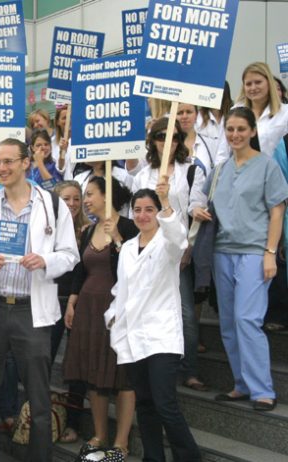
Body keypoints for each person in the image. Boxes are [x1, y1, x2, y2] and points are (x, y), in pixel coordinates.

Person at [0, 138, 79, 461]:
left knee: (39, 397)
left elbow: (70, 255)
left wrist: (45, 261)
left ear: (26, 162)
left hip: (32, 312)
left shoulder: (52, 205)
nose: (2, 168)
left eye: (8, 161)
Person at [195, 107, 288, 411]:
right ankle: (242, 384)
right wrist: (196, 209)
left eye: (241, 129)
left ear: (252, 131)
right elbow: (202, 199)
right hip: (223, 252)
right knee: (228, 323)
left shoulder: (266, 166)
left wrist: (270, 252)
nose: (235, 135)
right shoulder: (220, 169)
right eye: (230, 129)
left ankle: (263, 389)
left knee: (247, 319)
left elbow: (277, 210)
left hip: (254, 252)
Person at [106, 184, 202, 462]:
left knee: (165, 404)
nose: (143, 215)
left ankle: (189, 457)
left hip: (162, 337)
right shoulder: (127, 249)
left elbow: (179, 237)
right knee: (145, 404)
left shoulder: (167, 243)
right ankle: (153, 457)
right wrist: (112, 317)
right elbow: (120, 290)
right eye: (137, 210)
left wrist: (165, 201)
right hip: (133, 335)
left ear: (159, 213)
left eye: (150, 209)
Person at [63, 176, 137, 458]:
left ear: (107, 196)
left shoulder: (129, 227)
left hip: (118, 306)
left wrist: (117, 239)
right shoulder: (88, 230)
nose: (87, 199)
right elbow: (80, 270)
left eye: (91, 194)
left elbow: (133, 268)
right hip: (88, 308)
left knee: (121, 375)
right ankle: (99, 433)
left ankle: (121, 440)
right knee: (93, 371)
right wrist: (72, 301)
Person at [132, 118, 207, 392]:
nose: (168, 141)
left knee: (185, 313)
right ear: (153, 140)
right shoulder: (143, 174)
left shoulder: (191, 171)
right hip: (151, 254)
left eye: (174, 136)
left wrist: (187, 247)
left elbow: (195, 209)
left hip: (178, 252)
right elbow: (136, 213)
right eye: (161, 136)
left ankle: (189, 370)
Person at [50, 180, 90, 443]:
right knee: (42, 361)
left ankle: (73, 423)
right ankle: (41, 419)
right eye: (66, 199)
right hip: (50, 303)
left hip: (79, 305)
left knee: (76, 368)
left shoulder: (91, 231)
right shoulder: (46, 230)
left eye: (76, 199)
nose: (72, 204)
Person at [216, 62, 288, 164]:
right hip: (241, 175)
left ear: (269, 83)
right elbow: (223, 152)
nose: (253, 88)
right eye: (248, 84)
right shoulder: (235, 111)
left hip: (276, 175)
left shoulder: (285, 113)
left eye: (258, 82)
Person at [177, 103, 218, 175]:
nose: (184, 116)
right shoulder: (167, 144)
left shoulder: (210, 144)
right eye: (180, 113)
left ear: (196, 115)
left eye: (189, 112)